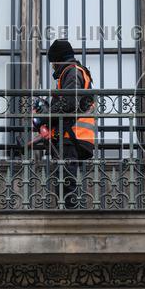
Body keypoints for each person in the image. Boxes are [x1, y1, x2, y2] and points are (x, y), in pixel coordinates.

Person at [42, 39, 96, 209]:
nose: (52, 67)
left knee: (67, 181)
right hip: (75, 136)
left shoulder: (72, 72)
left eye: (53, 63)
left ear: (58, 60)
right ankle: (69, 212)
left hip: (73, 136)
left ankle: (72, 217)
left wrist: (46, 117)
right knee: (65, 180)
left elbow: (70, 102)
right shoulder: (74, 72)